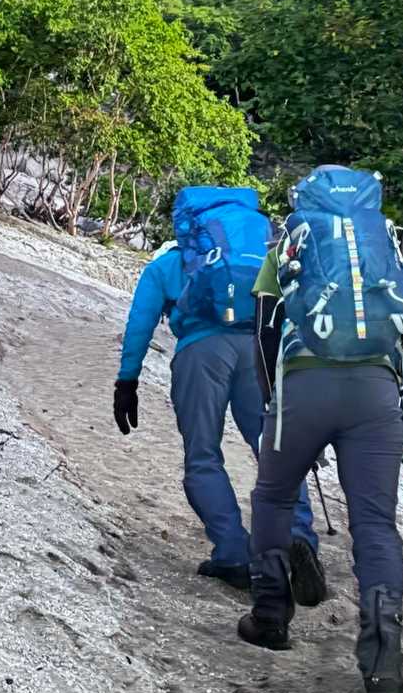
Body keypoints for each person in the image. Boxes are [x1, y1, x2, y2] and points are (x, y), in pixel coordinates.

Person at [237, 164, 403, 693]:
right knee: (375, 524)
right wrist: (394, 383)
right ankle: (382, 664)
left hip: (302, 388)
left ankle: (270, 617)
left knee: (273, 496)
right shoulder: (383, 246)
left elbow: (265, 330)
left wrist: (272, 400)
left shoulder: (290, 245)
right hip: (375, 396)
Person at [114, 223, 326, 602]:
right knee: (275, 448)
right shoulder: (256, 258)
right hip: (258, 351)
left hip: (199, 355)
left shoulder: (166, 264)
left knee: (203, 456)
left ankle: (233, 554)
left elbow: (140, 323)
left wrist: (127, 380)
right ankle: (298, 537)